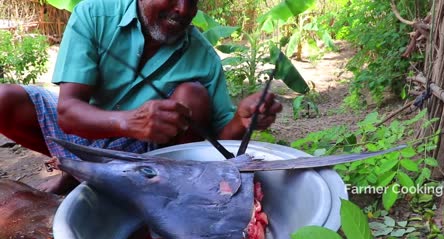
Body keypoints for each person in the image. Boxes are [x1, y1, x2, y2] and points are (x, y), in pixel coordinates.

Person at [0, 0, 282, 194]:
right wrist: (128, 121)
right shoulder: (94, 15)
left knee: (192, 96)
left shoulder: (203, 56)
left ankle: (165, 192)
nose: (183, 10)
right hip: (81, 131)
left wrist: (243, 120)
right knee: (4, 99)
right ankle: (76, 173)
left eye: (193, 1)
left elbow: (219, 141)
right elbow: (68, 112)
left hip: (145, 155)